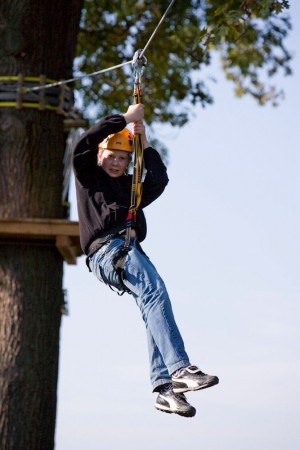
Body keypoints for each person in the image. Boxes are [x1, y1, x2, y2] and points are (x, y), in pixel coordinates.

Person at [72, 103, 219, 418]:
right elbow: (83, 143)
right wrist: (124, 119)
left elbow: (159, 180)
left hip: (125, 249)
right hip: (108, 250)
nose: (115, 162)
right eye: (110, 156)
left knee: (152, 303)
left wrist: (144, 140)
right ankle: (179, 369)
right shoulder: (88, 178)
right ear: (100, 156)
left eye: (122, 158)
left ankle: (164, 389)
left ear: (128, 162)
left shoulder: (129, 187)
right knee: (155, 292)